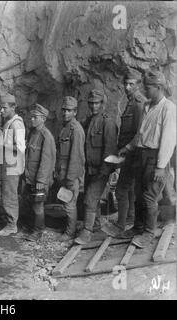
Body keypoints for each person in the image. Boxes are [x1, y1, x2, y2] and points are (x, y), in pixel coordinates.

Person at [118, 70, 176, 248]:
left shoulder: (168, 108)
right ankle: (138, 227)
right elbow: (140, 134)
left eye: (148, 87)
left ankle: (149, 232)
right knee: (138, 194)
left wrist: (160, 166)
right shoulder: (147, 106)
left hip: (155, 157)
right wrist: (127, 148)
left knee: (150, 197)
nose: (144, 90)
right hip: (141, 155)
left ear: (158, 88)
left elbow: (168, 140)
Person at [103, 69, 147, 237]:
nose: (127, 87)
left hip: (132, 154)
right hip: (128, 154)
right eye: (126, 84)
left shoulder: (137, 103)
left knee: (121, 189)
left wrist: (126, 149)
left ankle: (120, 226)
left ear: (138, 85)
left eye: (131, 84)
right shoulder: (130, 102)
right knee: (128, 189)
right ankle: (129, 217)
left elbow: (139, 133)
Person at [75, 89, 118, 245]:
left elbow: (110, 149)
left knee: (90, 199)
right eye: (91, 103)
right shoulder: (88, 121)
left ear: (103, 104)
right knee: (91, 196)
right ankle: (97, 224)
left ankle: (87, 231)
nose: (93, 106)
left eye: (97, 103)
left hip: (101, 170)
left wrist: (105, 170)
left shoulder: (108, 122)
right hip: (89, 169)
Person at [22, 104, 56, 241]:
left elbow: (47, 161)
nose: (32, 119)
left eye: (35, 117)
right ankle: (33, 226)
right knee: (31, 202)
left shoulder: (46, 136)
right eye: (32, 117)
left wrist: (41, 181)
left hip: (39, 179)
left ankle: (38, 231)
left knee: (38, 205)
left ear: (43, 119)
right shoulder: (33, 132)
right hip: (30, 177)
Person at [55, 96, 85, 241]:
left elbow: (76, 156)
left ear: (75, 112)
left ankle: (70, 232)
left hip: (70, 174)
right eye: (64, 110)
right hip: (63, 171)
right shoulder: (65, 127)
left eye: (69, 111)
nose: (66, 113)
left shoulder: (76, 130)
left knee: (69, 204)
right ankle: (69, 227)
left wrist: (71, 177)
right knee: (66, 201)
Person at [0, 92, 26, 237]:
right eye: (1, 108)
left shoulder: (17, 124)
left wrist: (2, 144)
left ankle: (11, 225)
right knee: (7, 193)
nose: (2, 111)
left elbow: (20, 148)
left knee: (10, 195)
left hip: (13, 166)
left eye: (4, 108)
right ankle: (10, 219)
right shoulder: (9, 122)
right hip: (8, 164)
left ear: (13, 107)